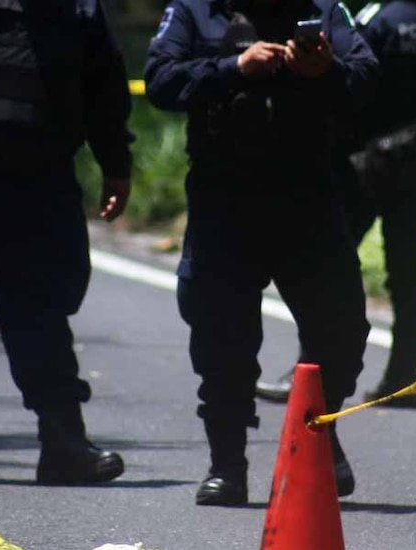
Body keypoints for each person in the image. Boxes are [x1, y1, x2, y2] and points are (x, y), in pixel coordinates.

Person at [144, 0, 377, 506]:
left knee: (340, 332)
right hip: (224, 202)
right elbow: (159, 80)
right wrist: (233, 69)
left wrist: (325, 71)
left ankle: (317, 439)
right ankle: (227, 465)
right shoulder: (194, 11)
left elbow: (369, 80)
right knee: (221, 341)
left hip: (309, 200)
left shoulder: (325, 11)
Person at [255, 0, 416, 408]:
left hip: (368, 163)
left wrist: (332, 155)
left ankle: (309, 373)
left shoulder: (379, 18)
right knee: (407, 271)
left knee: (324, 269)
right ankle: (403, 378)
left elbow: (354, 88)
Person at [0, 0, 133, 485]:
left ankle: (63, 442)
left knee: (41, 314)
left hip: (41, 182)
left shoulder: (76, 7)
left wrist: (115, 164)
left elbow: (103, 85)